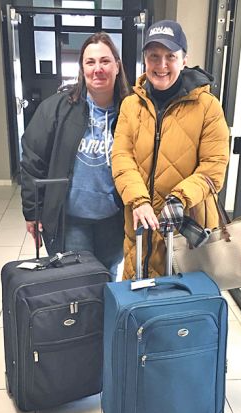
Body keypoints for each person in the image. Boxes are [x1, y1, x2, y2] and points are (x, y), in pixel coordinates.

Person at [111, 20, 230, 279]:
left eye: (170, 57)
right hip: (141, 226)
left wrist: (179, 198)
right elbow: (122, 157)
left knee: (181, 309)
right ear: (145, 59)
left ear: (184, 60)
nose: (161, 65)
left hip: (187, 227)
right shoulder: (131, 105)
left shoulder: (208, 107)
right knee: (140, 303)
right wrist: (138, 201)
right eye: (154, 56)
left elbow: (214, 167)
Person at [20, 32, 131, 280]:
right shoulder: (57, 108)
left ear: (117, 66)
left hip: (113, 218)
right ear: (82, 68)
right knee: (76, 282)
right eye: (90, 62)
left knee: (107, 276)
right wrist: (33, 211)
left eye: (105, 61)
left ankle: (103, 319)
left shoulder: (132, 110)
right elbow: (32, 160)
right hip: (70, 219)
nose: (98, 69)